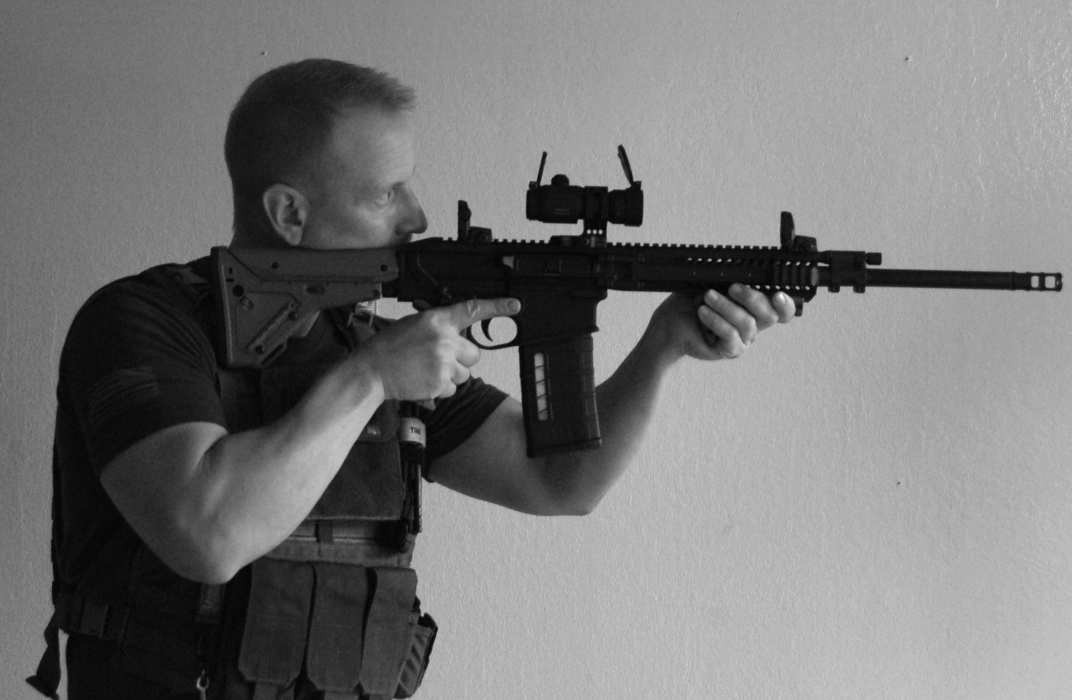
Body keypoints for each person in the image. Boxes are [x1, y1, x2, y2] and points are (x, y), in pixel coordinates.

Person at [28, 58, 796, 700]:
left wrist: (664, 346)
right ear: (288, 214)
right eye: (385, 192)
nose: (417, 216)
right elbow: (208, 536)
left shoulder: (372, 343)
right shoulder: (144, 322)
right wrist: (368, 379)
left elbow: (562, 482)